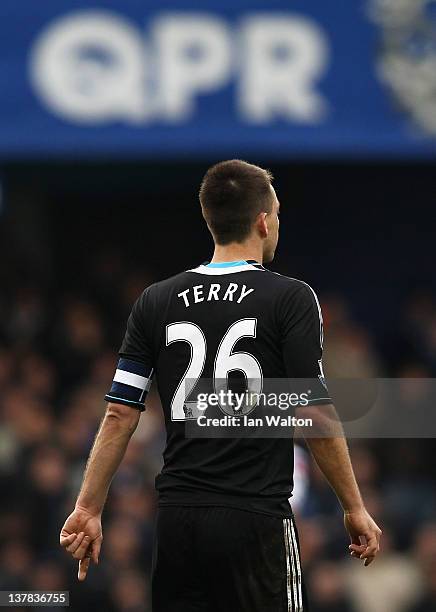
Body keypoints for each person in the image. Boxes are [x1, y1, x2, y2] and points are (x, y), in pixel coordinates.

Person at [60, 160, 381, 611]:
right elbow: (313, 410)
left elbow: (119, 413)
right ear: (263, 221)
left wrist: (89, 508)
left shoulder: (155, 300)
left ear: (211, 221)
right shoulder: (290, 298)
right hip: (255, 518)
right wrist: (353, 506)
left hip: (178, 522)